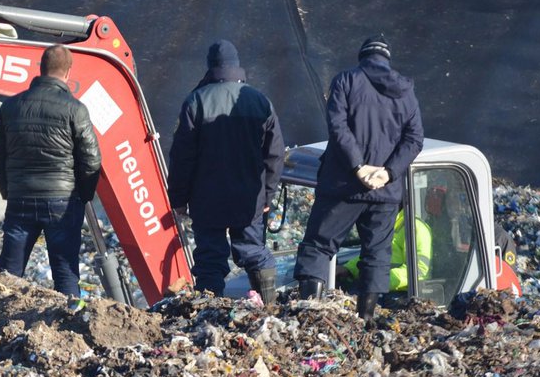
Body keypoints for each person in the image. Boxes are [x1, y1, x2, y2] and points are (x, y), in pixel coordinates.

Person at [294, 35, 423, 324]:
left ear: (362, 57)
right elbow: (415, 139)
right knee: (377, 253)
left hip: (344, 185)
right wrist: (388, 172)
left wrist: (358, 167)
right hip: (385, 191)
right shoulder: (406, 91)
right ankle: (365, 319)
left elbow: (337, 127)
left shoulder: (346, 81)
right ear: (387, 59)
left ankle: (308, 316)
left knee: (319, 245)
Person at [167, 39, 285, 302]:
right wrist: (267, 195)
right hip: (249, 197)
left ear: (211, 67)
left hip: (207, 199)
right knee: (254, 251)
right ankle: (268, 307)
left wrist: (178, 199)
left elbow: (182, 157)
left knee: (210, 259)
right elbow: (275, 155)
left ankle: (210, 314)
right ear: (237, 65)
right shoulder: (260, 101)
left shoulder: (196, 101)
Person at [0, 44, 101, 298]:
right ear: (68, 73)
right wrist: (83, 195)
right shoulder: (75, 109)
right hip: (62, 202)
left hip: (20, 200)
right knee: (65, 271)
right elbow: (91, 159)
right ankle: (68, 327)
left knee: (8, 276)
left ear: (40, 69)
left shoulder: (10, 107)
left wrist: (9, 190)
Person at [336, 209, 432, 292]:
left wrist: (382, 280)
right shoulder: (384, 223)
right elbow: (372, 256)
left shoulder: (415, 227)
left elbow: (420, 270)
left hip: (399, 293)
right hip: (378, 287)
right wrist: (348, 269)